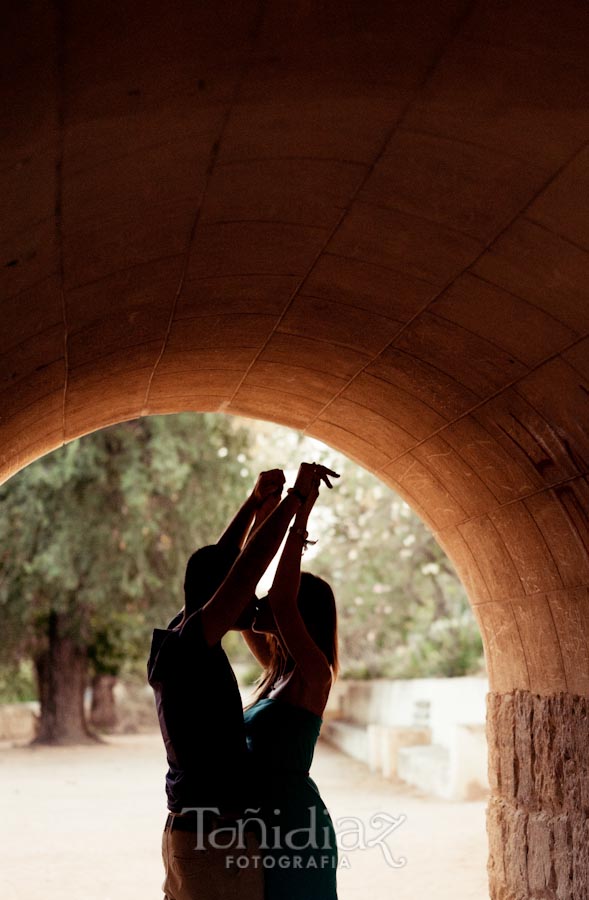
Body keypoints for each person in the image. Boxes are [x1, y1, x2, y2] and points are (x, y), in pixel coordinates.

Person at [148, 463, 329, 900]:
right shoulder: (192, 646)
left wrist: (254, 505)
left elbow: (219, 572)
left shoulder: (177, 637)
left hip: (206, 832)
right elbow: (239, 575)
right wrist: (294, 505)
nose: (252, 597)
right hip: (215, 838)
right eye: (243, 593)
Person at [241, 468, 340, 900]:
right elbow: (243, 588)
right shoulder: (275, 670)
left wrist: (301, 510)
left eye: (279, 602)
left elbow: (279, 598)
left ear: (298, 617)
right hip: (261, 828)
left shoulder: (314, 674)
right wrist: (260, 509)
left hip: (298, 830)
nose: (262, 604)